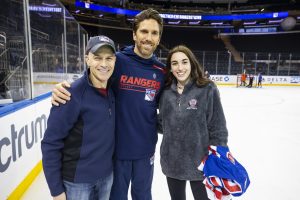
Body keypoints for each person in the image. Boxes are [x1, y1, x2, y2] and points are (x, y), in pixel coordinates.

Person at [51, 8, 165, 200]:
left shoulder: (162, 71)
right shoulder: (117, 61)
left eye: (154, 33)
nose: (149, 37)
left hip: (146, 152)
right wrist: (63, 88)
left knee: (143, 196)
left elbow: (171, 103)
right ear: (134, 34)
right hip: (116, 152)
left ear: (159, 38)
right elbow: (91, 79)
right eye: (144, 31)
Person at [41, 35, 117, 200]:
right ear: (87, 59)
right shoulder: (70, 94)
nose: (104, 64)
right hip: (77, 184)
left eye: (109, 58)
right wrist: (56, 191)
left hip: (106, 178)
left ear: (115, 61)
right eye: (97, 58)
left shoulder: (113, 91)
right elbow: (50, 143)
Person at [158, 45, 228, 200]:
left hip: (201, 163)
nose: (180, 67)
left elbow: (218, 127)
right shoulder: (166, 92)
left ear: (192, 64)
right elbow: (163, 124)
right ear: (170, 68)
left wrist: (219, 156)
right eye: (175, 63)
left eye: (184, 62)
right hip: (172, 162)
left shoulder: (207, 89)